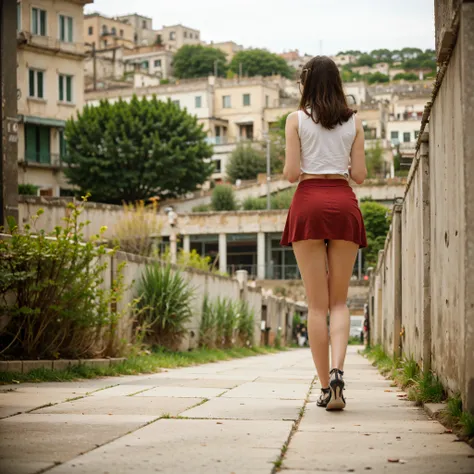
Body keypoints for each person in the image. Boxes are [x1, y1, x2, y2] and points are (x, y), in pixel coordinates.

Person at [280, 56, 367, 411]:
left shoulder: (295, 120)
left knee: (316, 306)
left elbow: (289, 173)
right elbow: (359, 175)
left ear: (306, 84)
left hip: (309, 204)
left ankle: (323, 387)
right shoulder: (354, 122)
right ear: (338, 82)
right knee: (339, 302)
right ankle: (338, 373)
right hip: (343, 204)